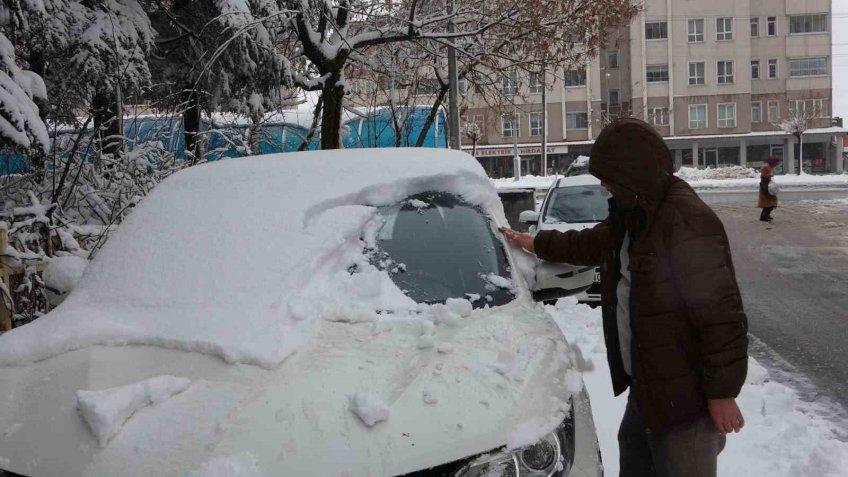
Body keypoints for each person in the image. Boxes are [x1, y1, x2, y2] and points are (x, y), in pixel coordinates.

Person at [499, 118, 748, 477]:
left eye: (609, 178)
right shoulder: (635, 216)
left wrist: (722, 393)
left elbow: (722, 317)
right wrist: (535, 243)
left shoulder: (687, 224)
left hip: (686, 405)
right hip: (648, 387)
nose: (603, 185)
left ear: (634, 175)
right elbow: (589, 243)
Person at [758, 157, 780, 222]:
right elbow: (763, 175)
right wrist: (770, 175)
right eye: (776, 163)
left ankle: (766, 215)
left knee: (770, 202)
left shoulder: (768, 166)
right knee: (768, 202)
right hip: (766, 186)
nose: (776, 164)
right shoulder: (766, 166)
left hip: (767, 185)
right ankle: (764, 216)